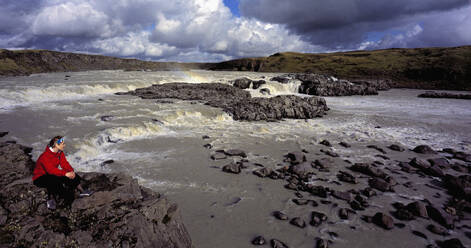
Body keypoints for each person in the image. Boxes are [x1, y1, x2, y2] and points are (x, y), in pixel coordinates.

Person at [32, 136, 93, 210]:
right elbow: (51, 170)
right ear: (56, 145)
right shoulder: (44, 156)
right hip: (40, 177)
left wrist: (71, 171)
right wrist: (65, 174)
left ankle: (82, 191)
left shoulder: (60, 153)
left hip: (52, 173)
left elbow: (64, 164)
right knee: (53, 180)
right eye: (62, 144)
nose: (64, 145)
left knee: (71, 175)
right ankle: (51, 199)